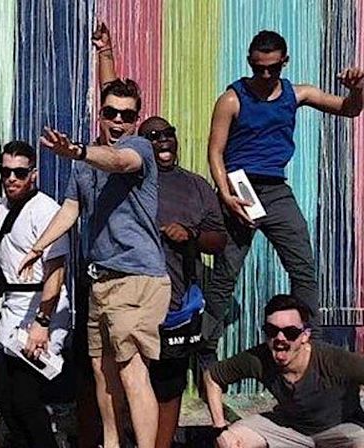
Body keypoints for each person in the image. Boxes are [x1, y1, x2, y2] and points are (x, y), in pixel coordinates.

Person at [18, 79, 170, 448]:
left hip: (137, 278)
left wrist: (77, 151)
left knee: (133, 372)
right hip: (100, 281)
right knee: (104, 376)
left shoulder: (138, 149)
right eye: (110, 113)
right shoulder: (84, 166)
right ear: (98, 114)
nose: (118, 121)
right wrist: (39, 245)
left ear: (137, 119)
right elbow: (72, 208)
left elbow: (118, 162)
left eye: (127, 115)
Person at [204, 30, 364, 347]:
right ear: (250, 61)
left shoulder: (297, 94)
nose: (265, 75)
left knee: (303, 269)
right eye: (259, 67)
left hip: (276, 189)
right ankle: (205, 345)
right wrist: (226, 194)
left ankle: (313, 348)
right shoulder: (232, 99)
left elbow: (350, 109)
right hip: (241, 185)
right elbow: (215, 151)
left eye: (273, 68)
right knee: (226, 273)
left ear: (284, 62)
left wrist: (358, 89)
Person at [0, 140, 70, 448]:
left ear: (33, 174)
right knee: (7, 401)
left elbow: (57, 270)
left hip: (44, 308)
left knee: (26, 400)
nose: (11, 178)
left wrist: (43, 321)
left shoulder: (47, 210)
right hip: (12, 309)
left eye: (20, 172)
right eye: (6, 171)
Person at [139, 117, 228, 448]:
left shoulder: (196, 186)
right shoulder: (128, 181)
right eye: (152, 136)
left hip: (174, 306)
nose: (163, 141)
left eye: (168, 134)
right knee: (128, 382)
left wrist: (190, 236)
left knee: (168, 383)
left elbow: (218, 240)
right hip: (130, 302)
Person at [204, 294, 364, 448]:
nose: (280, 338)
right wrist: (220, 428)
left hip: (341, 429)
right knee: (231, 441)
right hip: (290, 428)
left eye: (290, 332)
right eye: (272, 331)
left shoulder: (333, 359)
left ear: (305, 336)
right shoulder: (258, 358)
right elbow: (212, 377)